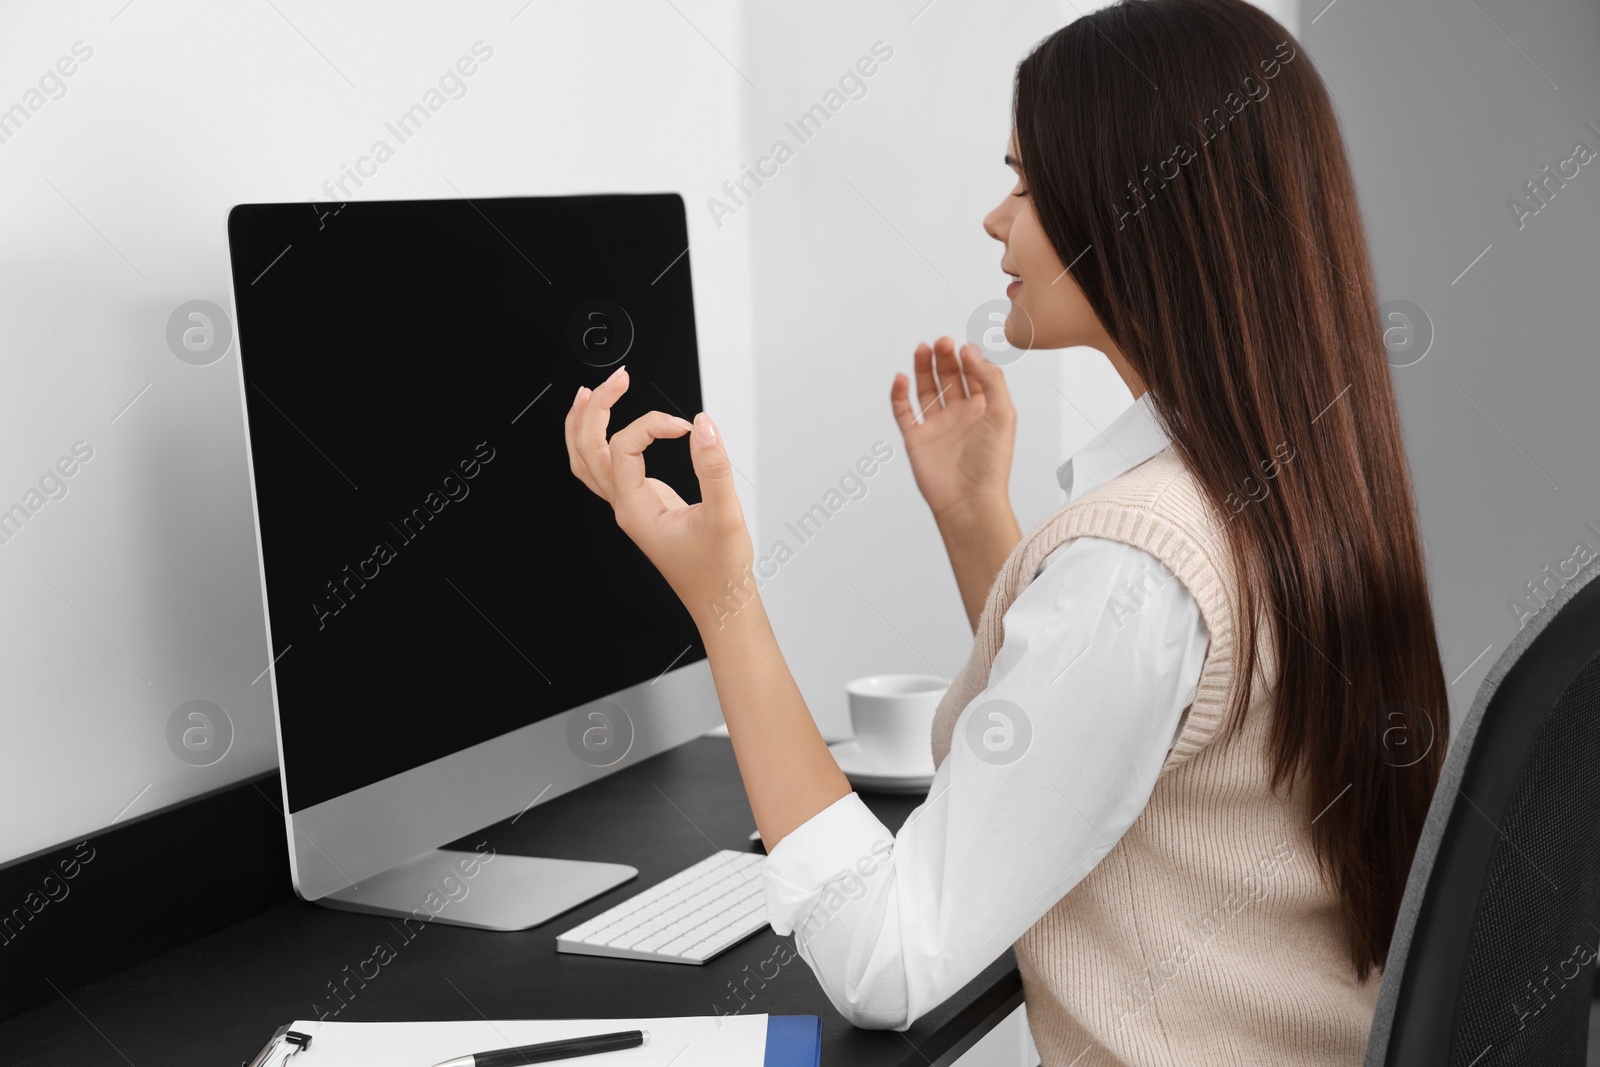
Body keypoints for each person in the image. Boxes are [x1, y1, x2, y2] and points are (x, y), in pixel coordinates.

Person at [562, 0, 1448, 1061]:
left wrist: (721, 596)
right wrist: (978, 519)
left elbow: (883, 957)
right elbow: (1112, 726)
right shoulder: (1277, 475)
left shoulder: (1136, 561)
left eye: (1026, 186)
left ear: (1138, 213)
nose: (995, 220)